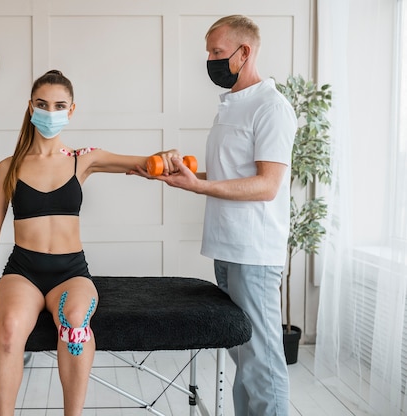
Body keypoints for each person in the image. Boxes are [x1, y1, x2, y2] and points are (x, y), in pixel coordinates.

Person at [0, 69, 178, 416]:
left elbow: (143, 163)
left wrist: (165, 156)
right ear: (30, 107)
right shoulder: (9, 167)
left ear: (71, 110)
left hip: (71, 272)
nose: (50, 111)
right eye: (42, 104)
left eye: (59, 105)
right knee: (10, 330)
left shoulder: (83, 158)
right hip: (23, 272)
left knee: (76, 322)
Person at [134, 15, 297, 416]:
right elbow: (230, 176)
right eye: (209, 51)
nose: (210, 60)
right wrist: (187, 177)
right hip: (228, 250)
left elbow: (266, 185)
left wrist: (200, 186)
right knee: (245, 356)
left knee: (261, 362)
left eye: (217, 52)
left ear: (245, 52)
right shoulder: (232, 106)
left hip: (254, 253)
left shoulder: (271, 107)